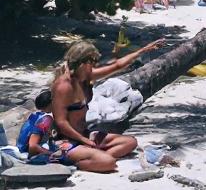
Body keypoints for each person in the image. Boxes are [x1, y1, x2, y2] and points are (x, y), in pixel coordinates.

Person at [50, 40, 165, 172]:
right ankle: (80, 162)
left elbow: (117, 65)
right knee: (109, 163)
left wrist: (144, 49)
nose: (95, 65)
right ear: (84, 63)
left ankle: (94, 157)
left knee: (130, 142)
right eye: (93, 62)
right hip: (64, 142)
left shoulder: (86, 77)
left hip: (84, 135)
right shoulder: (63, 86)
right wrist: (84, 140)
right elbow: (61, 122)